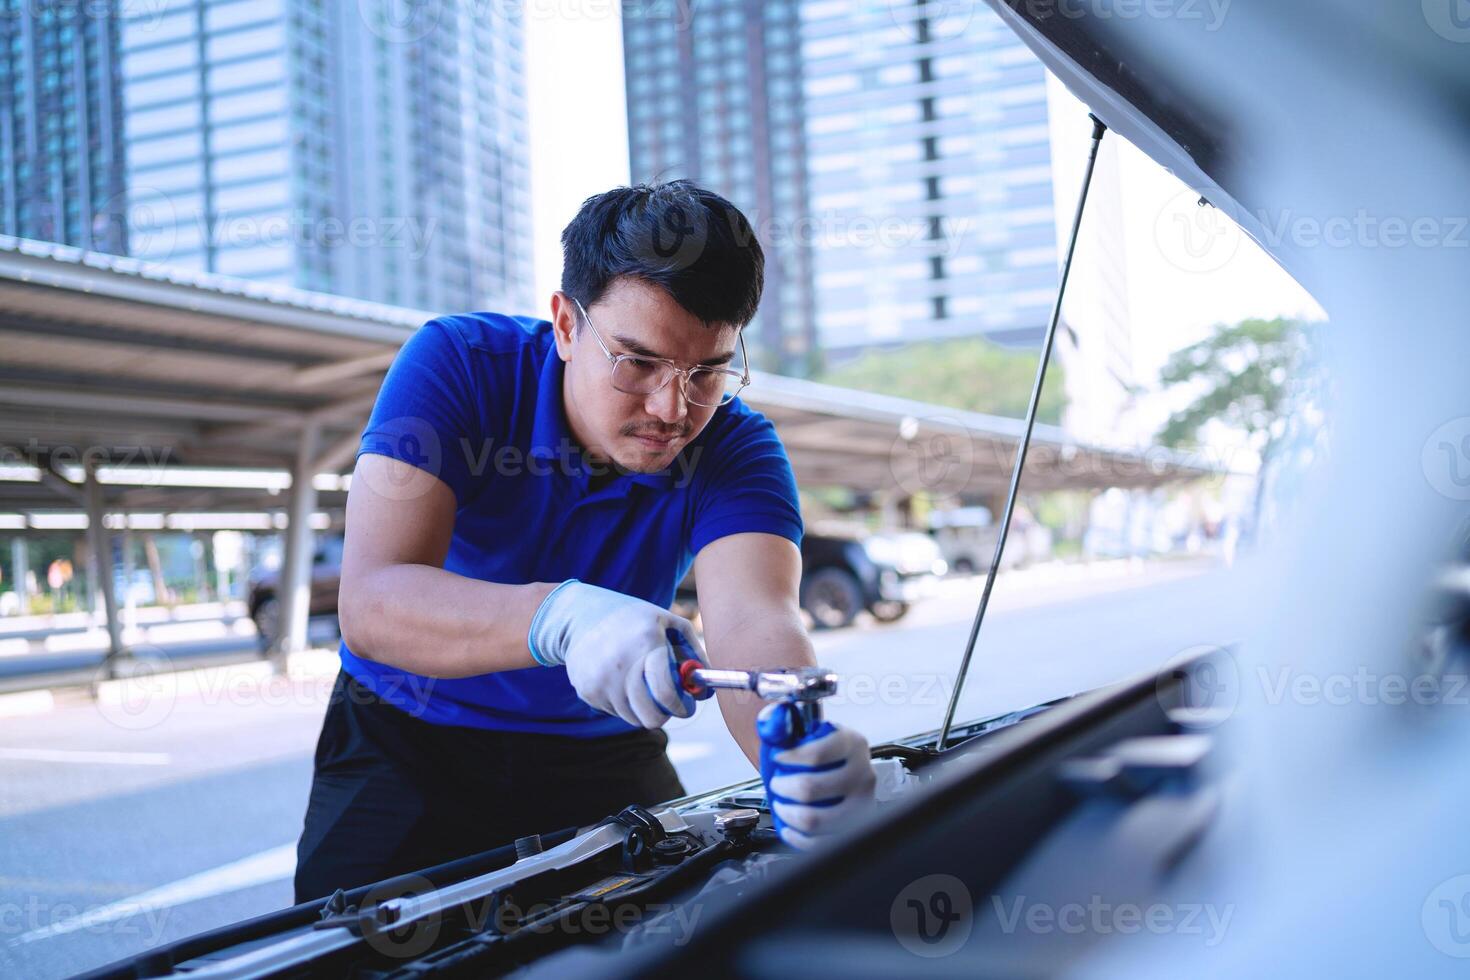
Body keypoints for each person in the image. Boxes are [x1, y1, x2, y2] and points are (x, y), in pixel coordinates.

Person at [294, 181, 876, 902]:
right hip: (405, 736)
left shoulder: (736, 447)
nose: (673, 409)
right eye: (638, 363)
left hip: (601, 746)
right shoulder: (458, 364)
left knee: (681, 939)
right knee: (335, 954)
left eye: (709, 372)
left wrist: (796, 760)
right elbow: (374, 601)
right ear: (566, 324)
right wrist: (560, 619)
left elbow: (756, 622)